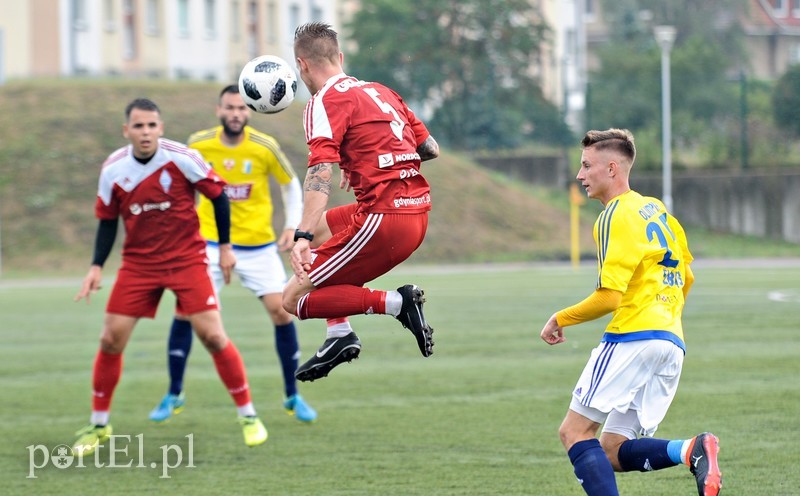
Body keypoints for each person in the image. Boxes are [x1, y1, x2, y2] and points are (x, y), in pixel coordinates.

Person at [73, 98, 267, 455]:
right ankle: (98, 424)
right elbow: (106, 220)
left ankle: (249, 416)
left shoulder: (182, 157)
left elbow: (219, 195)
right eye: (138, 126)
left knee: (212, 335)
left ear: (160, 128)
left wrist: (225, 247)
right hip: (138, 264)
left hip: (186, 260)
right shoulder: (113, 169)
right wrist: (97, 265)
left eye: (151, 126)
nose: (145, 132)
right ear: (126, 130)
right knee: (110, 340)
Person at [539, 128, 722, 496]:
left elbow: (609, 298)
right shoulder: (658, 211)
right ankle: (691, 450)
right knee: (610, 451)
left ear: (611, 169)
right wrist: (663, 315)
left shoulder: (614, 215)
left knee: (574, 432)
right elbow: (687, 277)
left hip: (633, 338)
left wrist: (560, 317)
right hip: (671, 343)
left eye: (586, 165)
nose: (580, 175)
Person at [147, 85, 316, 424]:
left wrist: (292, 226)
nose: (236, 113)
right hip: (207, 246)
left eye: (241, 108)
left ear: (250, 110)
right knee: (184, 313)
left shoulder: (264, 146)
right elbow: (173, 182)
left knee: (282, 311)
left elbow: (289, 183)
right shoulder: (198, 144)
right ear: (218, 110)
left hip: (259, 247)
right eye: (229, 108)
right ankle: (173, 393)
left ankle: (292, 395)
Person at [283, 21, 440, 382]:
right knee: (325, 233)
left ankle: (398, 303)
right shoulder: (381, 91)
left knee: (293, 299)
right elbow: (429, 149)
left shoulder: (323, 101)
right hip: (415, 213)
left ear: (302, 65)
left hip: (383, 221)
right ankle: (339, 334)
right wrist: (361, 162)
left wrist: (302, 235)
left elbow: (320, 170)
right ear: (339, 56)